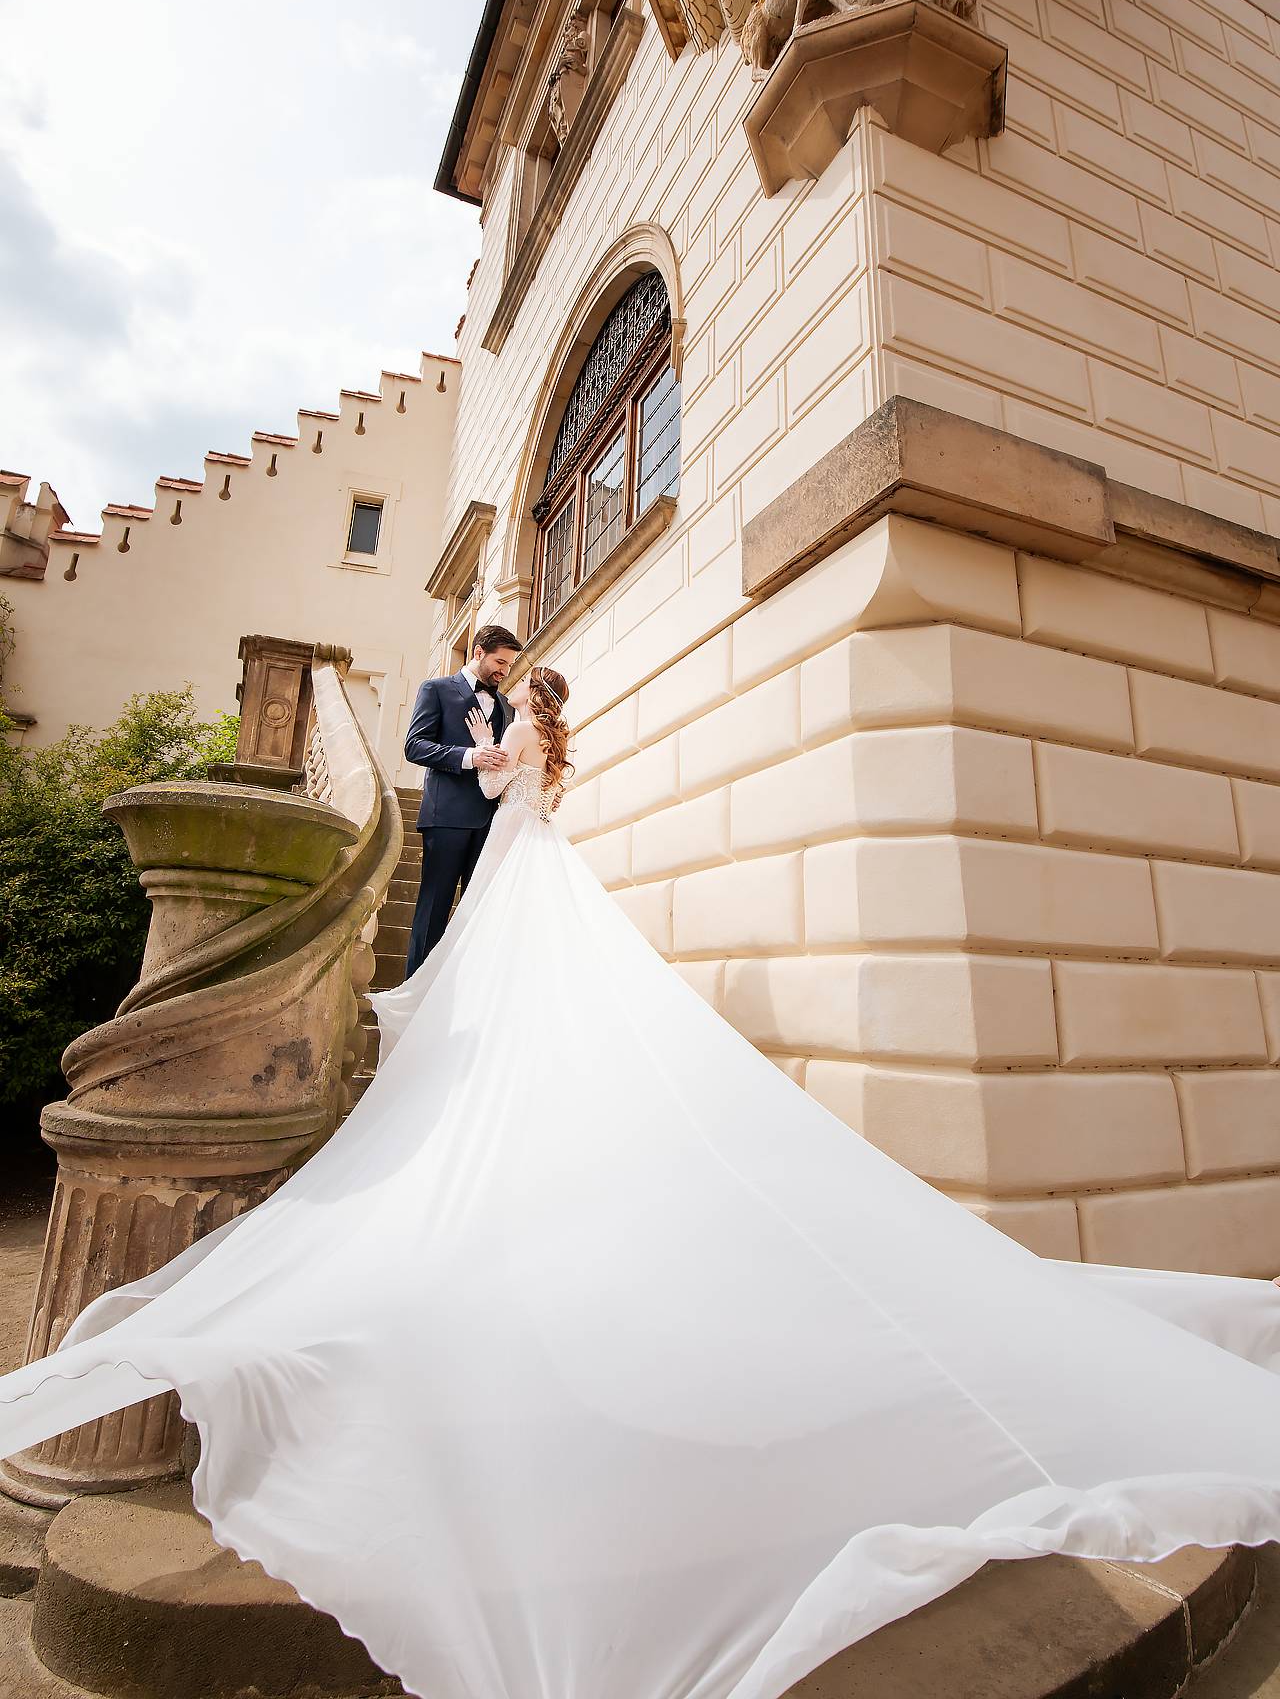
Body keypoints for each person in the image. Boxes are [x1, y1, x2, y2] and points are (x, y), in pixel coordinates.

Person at [1, 662, 1279, 1699]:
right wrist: (496, 754)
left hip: (515, 864)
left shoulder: (505, 740)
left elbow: (488, 779)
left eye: (512, 694)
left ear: (527, 705)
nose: (501, 699)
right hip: (529, 860)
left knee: (494, 983)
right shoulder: (543, 744)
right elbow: (505, 783)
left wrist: (484, 753)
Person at [402, 623, 522, 977]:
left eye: (510, 666)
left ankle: (457, 995)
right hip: (447, 817)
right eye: (500, 662)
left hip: (491, 821)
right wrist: (470, 756)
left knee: (476, 913)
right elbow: (414, 745)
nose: (504, 671)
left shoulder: (505, 706)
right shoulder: (436, 689)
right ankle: (414, 994)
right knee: (434, 907)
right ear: (478, 652)